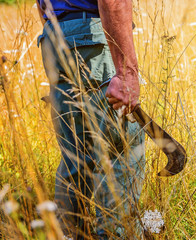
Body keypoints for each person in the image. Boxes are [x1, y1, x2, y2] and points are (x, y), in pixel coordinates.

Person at [36, 0, 146, 239]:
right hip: (92, 39)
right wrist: (127, 72)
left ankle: (66, 235)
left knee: (76, 157)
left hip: (54, 37)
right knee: (122, 153)